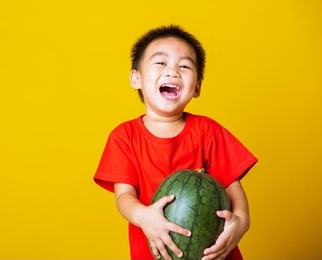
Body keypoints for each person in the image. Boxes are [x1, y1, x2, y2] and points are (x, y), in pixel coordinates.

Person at [93, 24, 258, 260]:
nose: (173, 72)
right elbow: (124, 197)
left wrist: (241, 222)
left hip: (214, 253)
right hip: (155, 254)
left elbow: (234, 189)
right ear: (136, 78)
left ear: (197, 86)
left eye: (184, 66)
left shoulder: (208, 131)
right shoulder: (124, 136)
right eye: (160, 63)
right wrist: (143, 216)